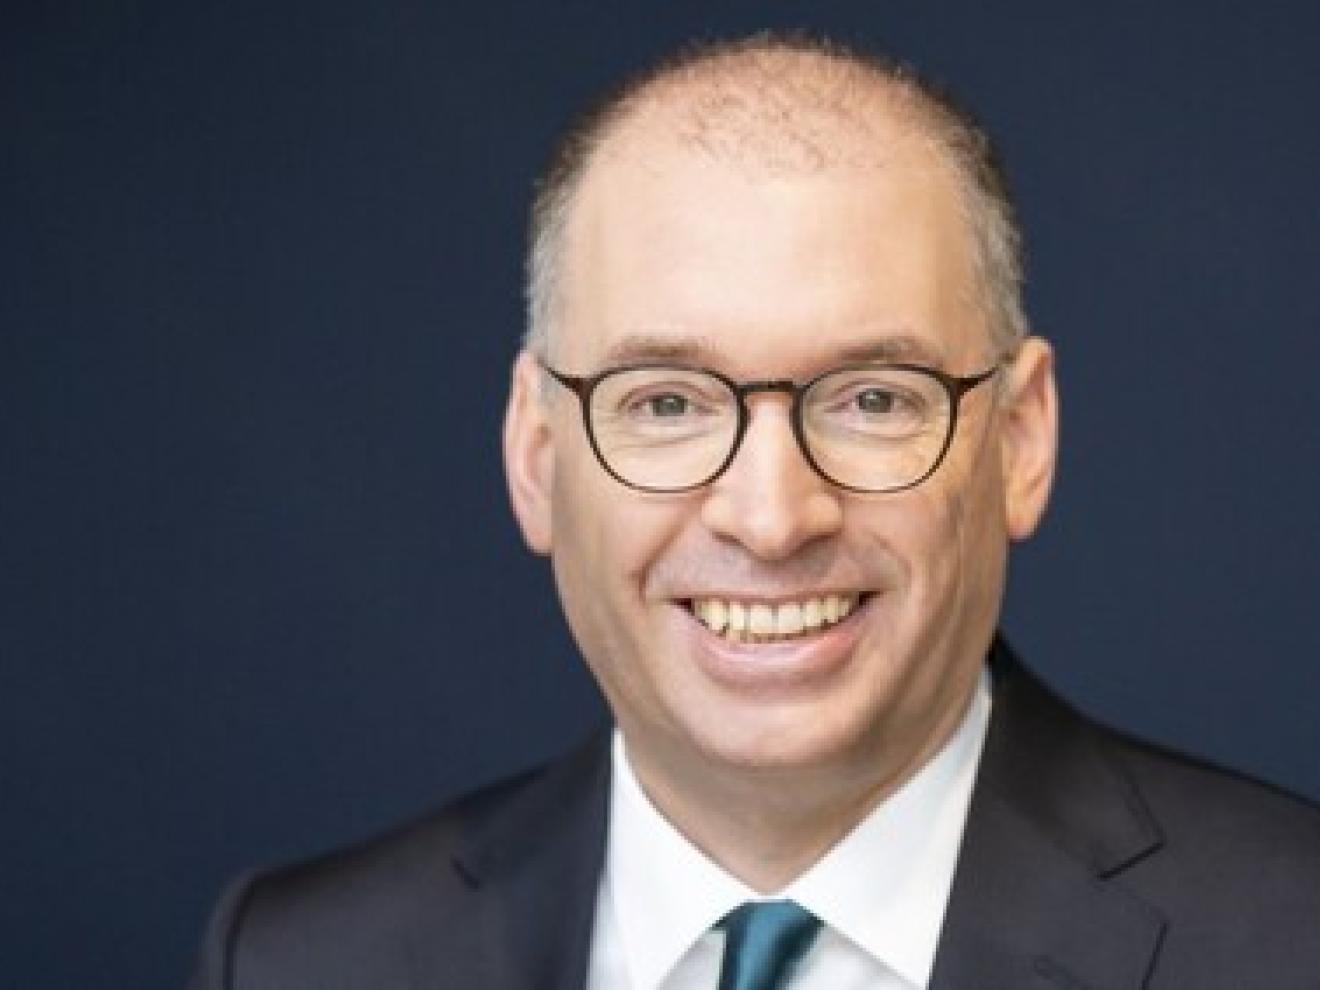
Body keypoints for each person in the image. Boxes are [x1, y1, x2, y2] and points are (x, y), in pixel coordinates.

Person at [189, 33, 1320, 989]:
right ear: (537, 460)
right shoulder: (297, 962)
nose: (772, 518)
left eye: (873, 398)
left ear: (1020, 442)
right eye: (666, 403)